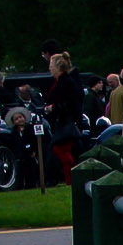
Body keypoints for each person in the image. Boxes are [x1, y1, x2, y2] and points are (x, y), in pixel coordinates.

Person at [43, 51, 82, 182]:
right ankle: (68, 178)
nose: (49, 68)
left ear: (58, 67)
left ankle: (71, 177)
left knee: (61, 151)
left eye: (51, 65)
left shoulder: (67, 82)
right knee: (61, 151)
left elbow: (71, 103)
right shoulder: (59, 81)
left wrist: (54, 107)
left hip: (67, 123)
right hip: (61, 122)